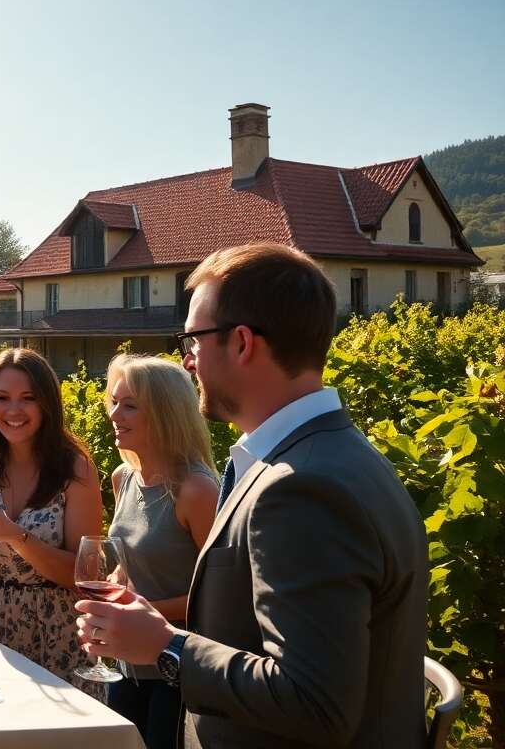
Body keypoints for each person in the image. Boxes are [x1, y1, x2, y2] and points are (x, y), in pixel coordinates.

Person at [75, 244, 428, 748]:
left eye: (193, 339)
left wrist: (167, 646)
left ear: (242, 342)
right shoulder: (329, 456)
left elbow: (315, 702)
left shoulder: (301, 488)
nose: (187, 360)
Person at [0, 348, 103, 695]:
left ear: (47, 404)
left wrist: (15, 535)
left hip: (59, 630)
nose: (13, 410)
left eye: (27, 398)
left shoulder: (76, 471)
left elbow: (85, 575)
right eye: (2, 398)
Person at [103, 353, 219, 748]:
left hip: (177, 671)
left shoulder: (196, 490)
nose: (114, 414)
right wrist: (115, 584)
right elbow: (131, 565)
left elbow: (220, 599)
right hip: (127, 665)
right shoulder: (125, 478)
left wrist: (142, 607)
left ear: (167, 412)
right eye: (115, 402)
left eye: (130, 405)